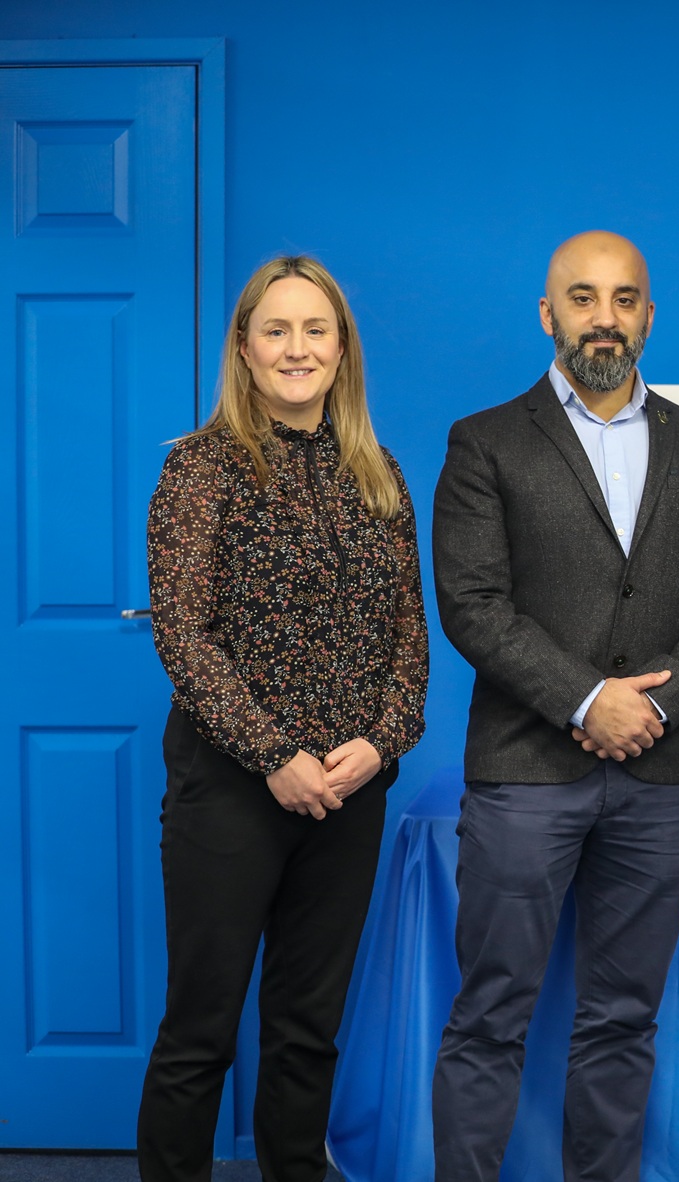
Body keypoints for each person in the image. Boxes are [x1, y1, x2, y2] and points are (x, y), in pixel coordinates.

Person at [430, 231, 679, 1181]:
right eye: (583, 298)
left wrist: (654, 707)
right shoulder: (485, 441)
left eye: (624, 299)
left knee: (623, 1021)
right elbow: (473, 604)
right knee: (491, 1016)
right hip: (525, 773)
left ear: (649, 315)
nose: (603, 318)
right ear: (549, 314)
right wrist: (585, 700)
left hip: (660, 773)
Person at [139, 256, 427, 1181]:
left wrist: (380, 742)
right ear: (245, 348)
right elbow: (183, 634)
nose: (296, 349)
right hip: (232, 790)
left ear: (342, 352)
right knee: (201, 1031)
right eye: (276, 330)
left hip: (350, 791)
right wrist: (273, 755)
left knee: (307, 1031)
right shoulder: (201, 469)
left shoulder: (379, 475)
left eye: (315, 330)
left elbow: (409, 639)